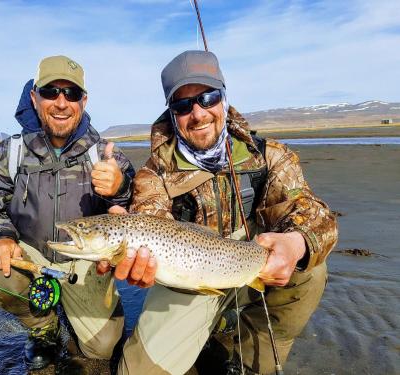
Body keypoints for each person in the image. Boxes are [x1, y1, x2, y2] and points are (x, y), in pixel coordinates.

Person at [114, 50, 338, 375]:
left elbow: (313, 213)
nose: (198, 113)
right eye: (182, 105)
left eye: (207, 97)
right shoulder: (154, 174)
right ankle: (211, 322)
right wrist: (140, 257)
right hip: (188, 280)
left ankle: (247, 357)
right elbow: (151, 221)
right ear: (172, 114)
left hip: (254, 269)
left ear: (223, 98)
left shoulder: (269, 156)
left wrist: (296, 244)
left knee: (311, 271)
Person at [0, 55, 135, 371]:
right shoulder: (10, 152)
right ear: (34, 96)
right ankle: (44, 328)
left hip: (85, 263)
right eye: (50, 92)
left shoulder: (106, 154)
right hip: (30, 255)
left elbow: (135, 213)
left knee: (104, 347)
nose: (61, 102)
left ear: (83, 101)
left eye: (70, 94)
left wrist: (121, 186)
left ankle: (79, 311)